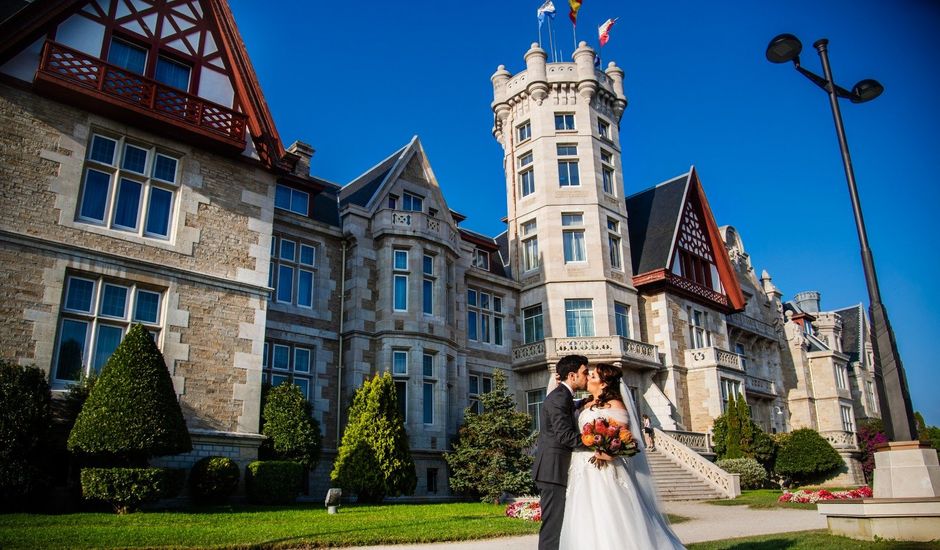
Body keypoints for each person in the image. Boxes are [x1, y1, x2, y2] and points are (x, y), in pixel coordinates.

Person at [558, 363, 685, 550]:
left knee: (609, 513)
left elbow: (622, 438)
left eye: (593, 376)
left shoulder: (615, 405)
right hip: (581, 467)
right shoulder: (585, 403)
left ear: (603, 384)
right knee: (582, 515)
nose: (588, 377)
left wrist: (609, 452)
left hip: (605, 468)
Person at [533, 354, 589, 550]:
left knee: (561, 524)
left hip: (557, 469)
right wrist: (598, 443)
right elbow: (565, 436)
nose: (587, 376)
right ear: (572, 376)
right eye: (585, 372)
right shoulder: (558, 398)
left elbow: (569, 408)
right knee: (552, 527)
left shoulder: (564, 397)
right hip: (552, 470)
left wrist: (583, 403)